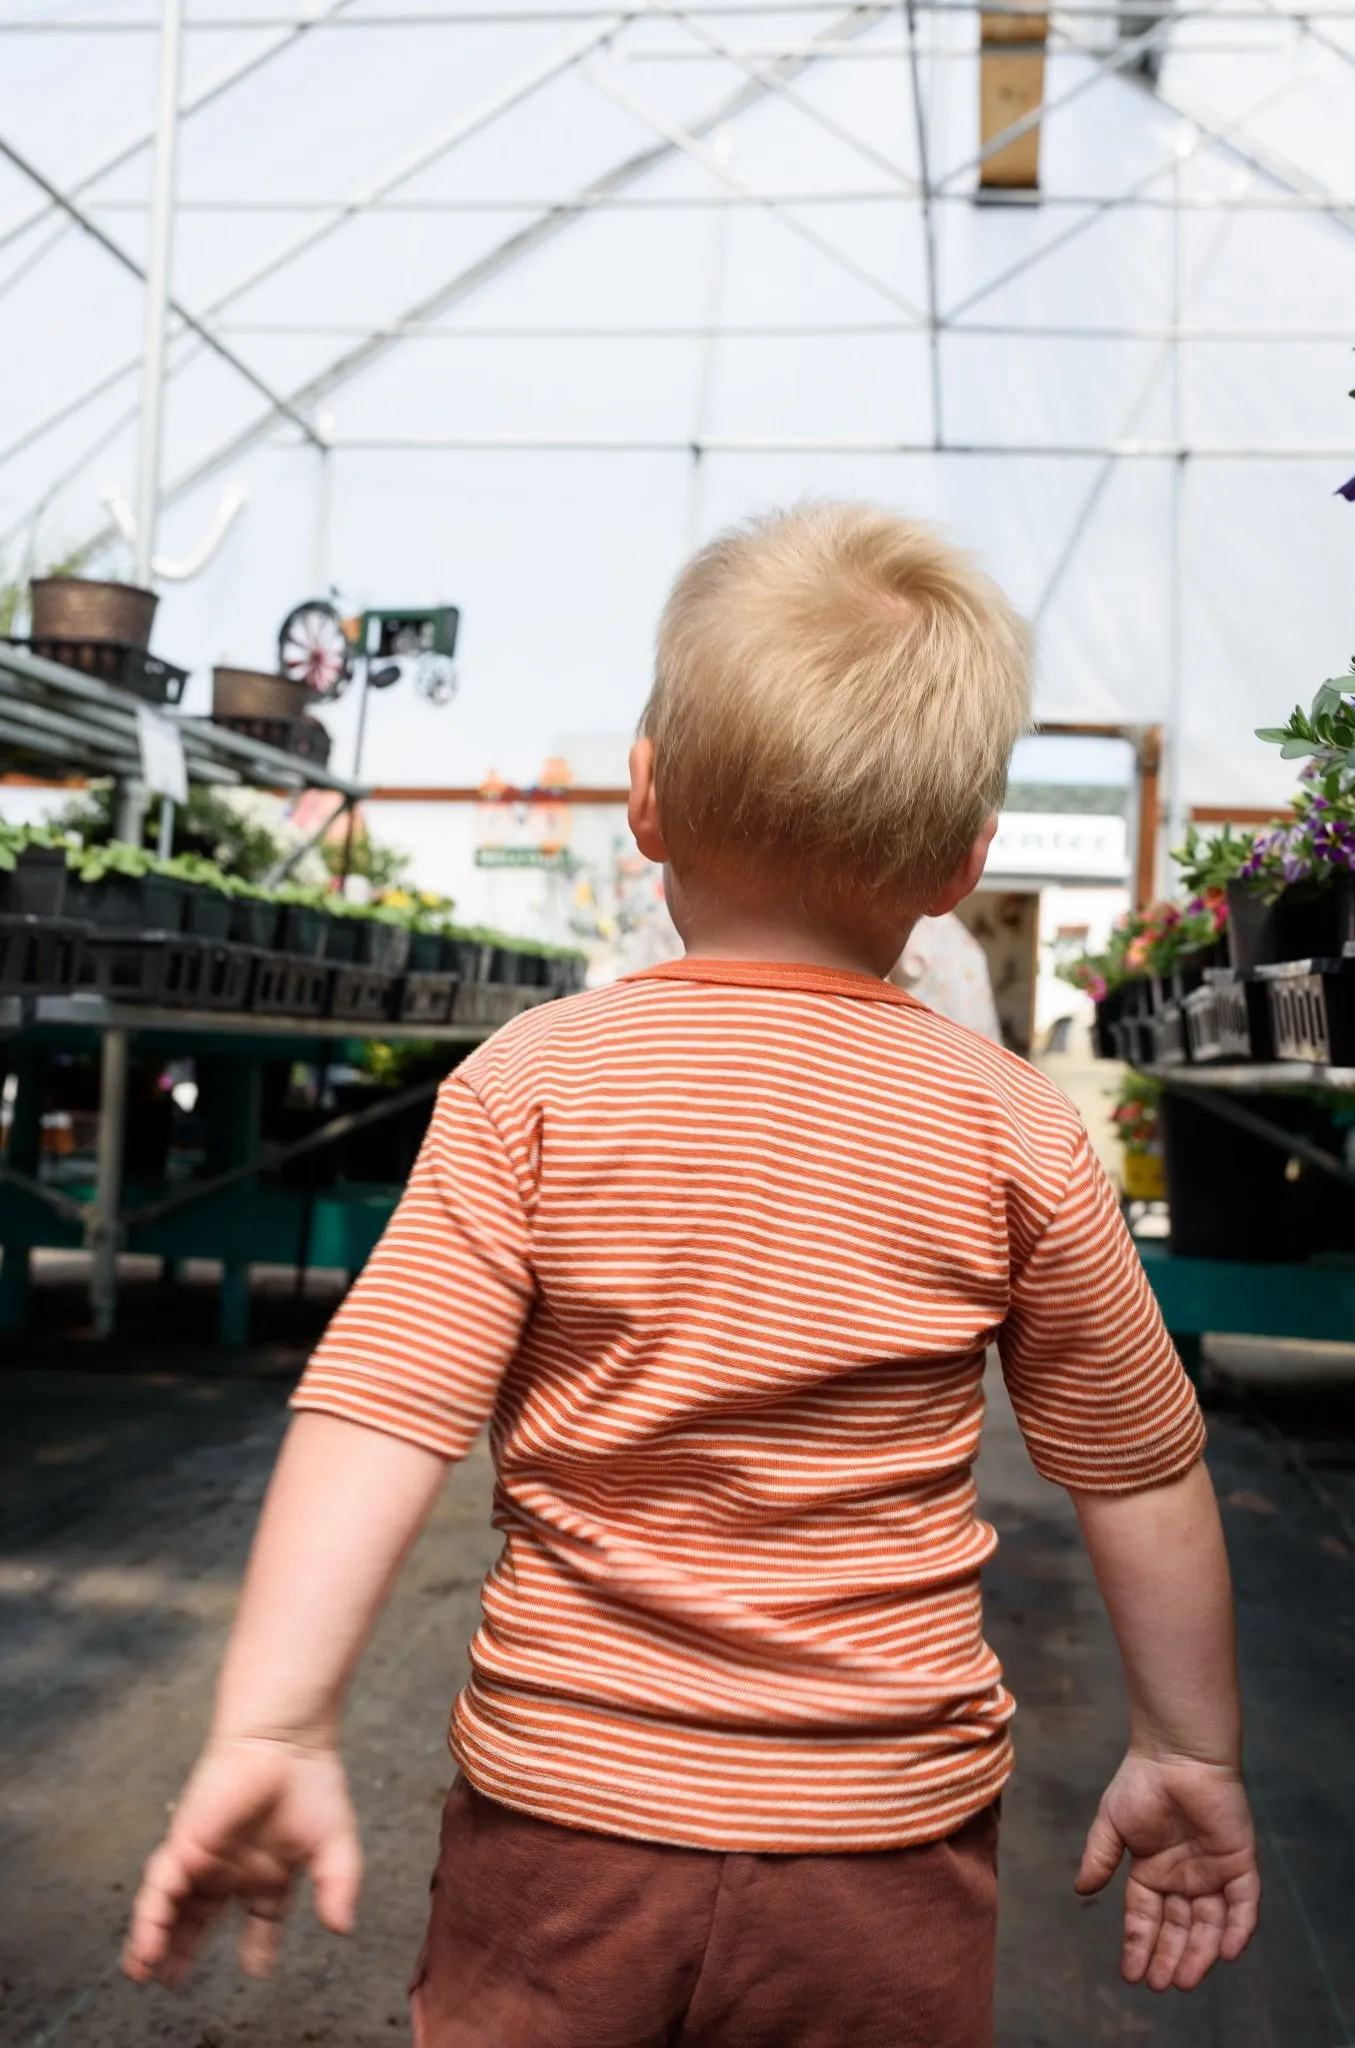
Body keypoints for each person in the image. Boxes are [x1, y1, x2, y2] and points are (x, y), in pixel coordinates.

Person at [124, 506, 1259, 2046]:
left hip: (566, 1823)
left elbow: (378, 1414)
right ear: (959, 861)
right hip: (882, 1848)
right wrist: (1187, 1750)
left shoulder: (532, 1087)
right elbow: (1139, 1470)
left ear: (643, 802)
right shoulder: (1013, 1128)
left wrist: (272, 1719)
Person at [891, 909, 1002, 1041]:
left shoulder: (926, 923)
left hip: (933, 1030)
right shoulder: (951, 930)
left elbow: (909, 970)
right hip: (962, 1034)